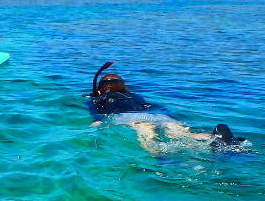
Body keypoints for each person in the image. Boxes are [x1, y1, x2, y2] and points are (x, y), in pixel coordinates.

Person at [86, 62, 244, 155]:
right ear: (125, 87)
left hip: (131, 118)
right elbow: (156, 108)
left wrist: (94, 128)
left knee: (149, 136)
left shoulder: (99, 98)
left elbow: (97, 116)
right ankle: (216, 139)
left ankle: (163, 159)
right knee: (182, 133)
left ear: (100, 90)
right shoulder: (135, 96)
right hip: (158, 116)